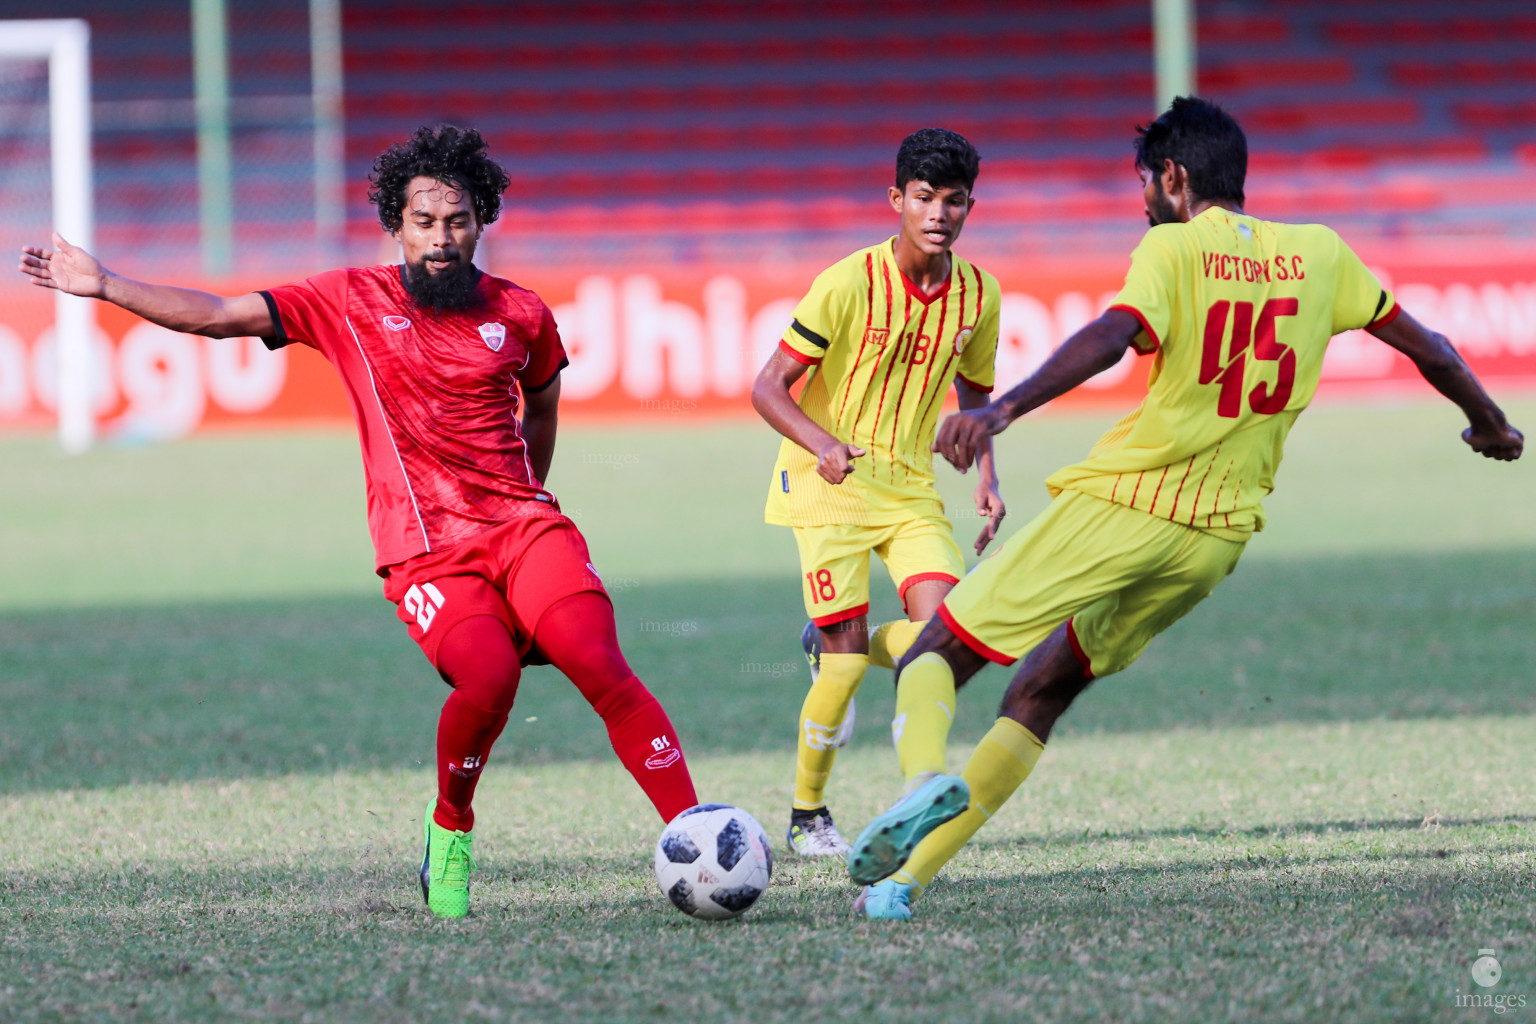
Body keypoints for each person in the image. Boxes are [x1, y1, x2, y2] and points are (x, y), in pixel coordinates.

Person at [844, 97, 1525, 919]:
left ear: (1173, 176)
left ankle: (923, 780)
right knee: (1041, 694)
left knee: (935, 651)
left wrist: (1001, 410)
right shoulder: (1322, 254)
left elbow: (1112, 331)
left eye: (1144, 184)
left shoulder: (1172, 249)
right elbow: (1436, 349)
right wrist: (1489, 423)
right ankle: (903, 886)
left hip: (1128, 506)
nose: (1141, 202)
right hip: (1217, 540)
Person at [18, 124, 701, 919]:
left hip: (523, 527)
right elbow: (218, 314)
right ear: (395, 224)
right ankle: (451, 827)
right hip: (427, 554)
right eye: (424, 222)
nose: (442, 240)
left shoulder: (520, 311)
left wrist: (529, 501)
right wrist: (106, 284)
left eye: (457, 221)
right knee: (490, 676)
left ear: (482, 221)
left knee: (598, 661)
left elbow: (542, 401)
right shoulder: (347, 300)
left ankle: (695, 832)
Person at [751, 128, 1004, 858]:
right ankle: (807, 817)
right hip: (829, 484)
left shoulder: (979, 295)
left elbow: (978, 395)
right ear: (897, 200)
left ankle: (918, 787)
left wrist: (987, 476)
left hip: (912, 489)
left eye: (953, 202)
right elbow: (767, 388)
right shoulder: (847, 282)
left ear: (968, 208)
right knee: (842, 668)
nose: (938, 214)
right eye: (924, 198)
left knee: (947, 640)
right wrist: (823, 444)